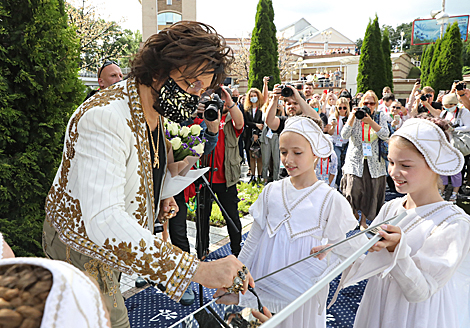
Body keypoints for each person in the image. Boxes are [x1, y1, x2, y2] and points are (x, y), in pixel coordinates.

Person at [42, 21, 253, 328]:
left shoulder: (150, 108)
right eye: (190, 83)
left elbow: (140, 168)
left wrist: (160, 196)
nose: (195, 95)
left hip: (111, 246)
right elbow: (103, 218)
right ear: (158, 69)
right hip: (81, 247)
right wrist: (196, 270)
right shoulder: (104, 117)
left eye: (203, 89)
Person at [314, 116, 470, 328]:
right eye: (392, 162)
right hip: (380, 304)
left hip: (416, 317)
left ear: (435, 164)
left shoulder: (452, 223)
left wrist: (398, 249)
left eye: (405, 165)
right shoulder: (392, 207)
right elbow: (369, 251)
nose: (394, 173)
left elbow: (421, 291)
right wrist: (338, 249)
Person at [215, 116, 358, 328]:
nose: (288, 159)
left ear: (315, 154)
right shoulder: (272, 191)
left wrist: (332, 248)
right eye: (283, 152)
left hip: (302, 292)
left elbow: (344, 250)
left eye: (297, 153)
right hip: (264, 284)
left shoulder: (330, 199)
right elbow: (253, 241)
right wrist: (236, 281)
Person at [201, 86, 245, 258]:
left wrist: (230, 100)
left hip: (227, 178)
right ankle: (202, 249)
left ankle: (237, 249)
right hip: (206, 177)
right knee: (203, 217)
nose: (221, 102)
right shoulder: (207, 117)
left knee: (232, 216)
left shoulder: (230, 120)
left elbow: (240, 123)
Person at [341, 90, 390, 229]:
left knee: (370, 191)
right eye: (366, 103)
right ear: (361, 103)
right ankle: (354, 215)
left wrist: (370, 122)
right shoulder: (355, 116)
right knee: (352, 189)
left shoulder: (380, 116)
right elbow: (344, 135)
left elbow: (385, 134)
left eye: (372, 103)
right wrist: (351, 117)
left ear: (376, 104)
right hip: (355, 159)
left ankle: (363, 221)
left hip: (373, 160)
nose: (369, 105)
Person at [439, 93, 470, 203]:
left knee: (456, 170)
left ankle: (455, 193)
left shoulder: (463, 112)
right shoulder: (443, 114)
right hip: (445, 145)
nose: (448, 108)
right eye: (446, 105)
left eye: (450, 105)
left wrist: (454, 129)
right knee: (442, 169)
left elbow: (468, 126)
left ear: (455, 104)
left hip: (458, 145)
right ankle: (441, 192)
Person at [327, 97, 350, 187]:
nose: (342, 110)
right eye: (340, 108)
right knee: (338, 164)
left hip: (347, 142)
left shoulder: (350, 118)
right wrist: (333, 126)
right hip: (336, 143)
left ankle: (344, 184)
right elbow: (330, 133)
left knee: (346, 164)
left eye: (344, 108)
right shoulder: (333, 117)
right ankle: (338, 183)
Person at [259, 97, 283, 184]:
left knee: (277, 160)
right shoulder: (264, 110)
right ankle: (264, 179)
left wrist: (281, 110)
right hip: (266, 136)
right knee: (265, 159)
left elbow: (283, 121)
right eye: (270, 98)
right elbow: (265, 121)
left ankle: (276, 179)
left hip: (277, 137)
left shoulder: (280, 110)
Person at [244, 88, 265, 183]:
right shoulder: (246, 109)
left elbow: (262, 122)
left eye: (255, 96)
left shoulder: (262, 108)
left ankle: (259, 175)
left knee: (259, 156)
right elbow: (247, 122)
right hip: (248, 134)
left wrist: (256, 132)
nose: (253, 98)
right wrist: (255, 125)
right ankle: (253, 175)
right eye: (251, 96)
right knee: (251, 155)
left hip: (259, 134)